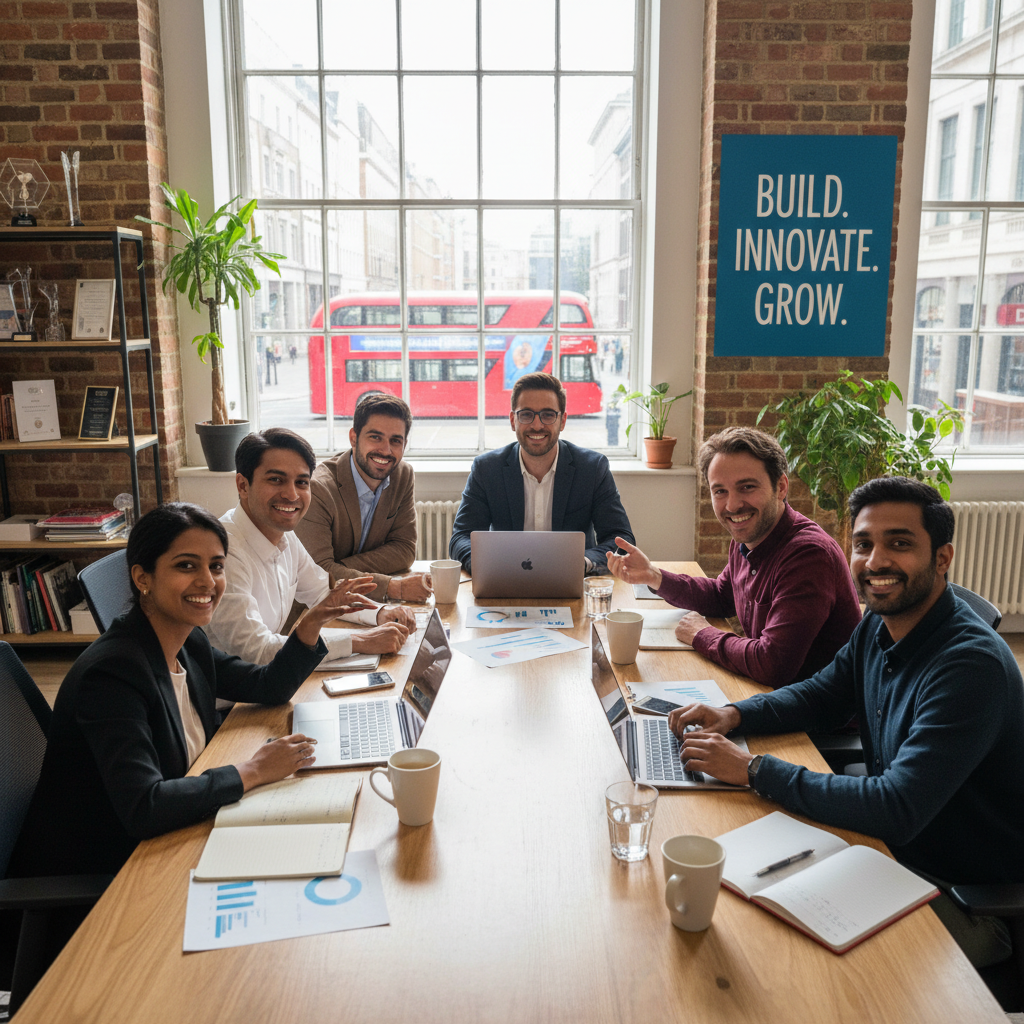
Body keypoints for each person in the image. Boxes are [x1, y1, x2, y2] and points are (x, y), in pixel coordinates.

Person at [668, 477, 1024, 968]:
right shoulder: (882, 620)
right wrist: (734, 714)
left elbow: (896, 806)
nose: (875, 561)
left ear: (942, 558)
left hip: (959, 895)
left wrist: (753, 770)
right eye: (863, 544)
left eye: (899, 543)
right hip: (884, 853)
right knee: (732, 894)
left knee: (771, 954)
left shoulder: (970, 667)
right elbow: (823, 695)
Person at [9, 502, 358, 879]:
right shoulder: (112, 675)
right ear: (143, 577)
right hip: (108, 870)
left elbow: (267, 685)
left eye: (217, 566)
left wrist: (310, 624)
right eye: (186, 565)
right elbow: (145, 807)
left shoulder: (187, 641)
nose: (208, 581)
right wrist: (252, 770)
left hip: (173, 836)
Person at [607, 426, 861, 688]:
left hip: (818, 725)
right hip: (770, 697)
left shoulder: (809, 556)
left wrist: (702, 634)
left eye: (747, 487)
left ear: (781, 487)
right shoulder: (749, 537)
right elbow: (721, 596)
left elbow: (772, 664)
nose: (732, 505)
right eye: (720, 491)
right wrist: (653, 575)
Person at [206, 427, 415, 665]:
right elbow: (257, 649)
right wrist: (359, 641)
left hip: (266, 683)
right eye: (276, 480)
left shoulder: (285, 536)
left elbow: (325, 596)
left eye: (302, 482)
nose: (292, 494)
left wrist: (380, 613)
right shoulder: (224, 553)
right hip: (231, 700)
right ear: (243, 485)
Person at [448, 371, 634, 574]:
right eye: (526, 414)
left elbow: (621, 540)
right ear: (513, 420)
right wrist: (490, 565)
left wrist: (584, 562)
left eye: (548, 415)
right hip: (504, 581)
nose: (537, 425)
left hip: (573, 583)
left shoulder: (592, 468)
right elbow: (461, 538)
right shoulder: (486, 470)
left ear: (562, 421)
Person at [295, 394, 431, 605]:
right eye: (375, 437)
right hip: (316, 606)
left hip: (365, 603)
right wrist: (394, 587)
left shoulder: (402, 475)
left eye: (395, 441)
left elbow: (404, 550)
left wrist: (340, 567)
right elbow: (318, 574)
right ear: (353, 438)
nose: (386, 450)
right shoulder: (319, 488)